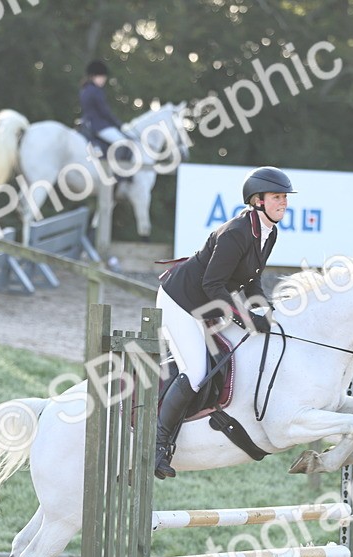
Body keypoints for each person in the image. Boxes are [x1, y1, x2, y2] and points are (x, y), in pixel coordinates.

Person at [152, 166, 295, 479]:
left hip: (209, 303)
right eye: (277, 197)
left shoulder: (269, 233)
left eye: (285, 197)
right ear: (257, 200)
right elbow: (212, 284)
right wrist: (245, 318)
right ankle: (157, 445)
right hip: (181, 301)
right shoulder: (235, 232)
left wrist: (265, 311)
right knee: (196, 372)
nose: (284, 203)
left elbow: (252, 282)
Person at [79, 60, 129, 149]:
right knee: (124, 143)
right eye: (102, 77)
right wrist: (119, 124)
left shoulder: (84, 89)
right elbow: (105, 112)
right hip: (99, 126)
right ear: (94, 76)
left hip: (87, 125)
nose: (104, 80)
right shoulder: (96, 91)